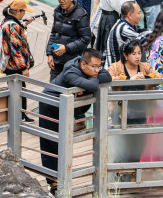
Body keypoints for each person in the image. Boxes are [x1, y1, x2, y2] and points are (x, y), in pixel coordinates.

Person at [39, 49, 111, 195]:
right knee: (51, 145)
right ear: (83, 65)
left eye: (99, 66)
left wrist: (88, 82)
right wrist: (90, 83)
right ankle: (54, 185)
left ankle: (61, 182)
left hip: (65, 107)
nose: (98, 70)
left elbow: (107, 76)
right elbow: (93, 86)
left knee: (62, 144)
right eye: (95, 67)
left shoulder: (86, 67)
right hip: (50, 105)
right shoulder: (70, 72)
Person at [0, 0, 37, 121]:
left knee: (17, 90)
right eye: (24, 11)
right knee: (19, 92)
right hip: (14, 66)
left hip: (10, 64)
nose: (25, 14)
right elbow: (16, 50)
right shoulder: (12, 26)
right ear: (18, 11)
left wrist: (24, 24)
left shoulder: (7, 20)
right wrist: (23, 68)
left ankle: (20, 115)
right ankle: (19, 116)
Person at [46, 0, 91, 80]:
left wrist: (66, 48)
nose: (61, 0)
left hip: (73, 63)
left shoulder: (81, 15)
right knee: (52, 91)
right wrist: (49, 53)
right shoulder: (58, 11)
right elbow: (54, 33)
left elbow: (86, 39)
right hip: (57, 62)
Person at [105, 1, 146, 67]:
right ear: (129, 15)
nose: (141, 15)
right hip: (115, 70)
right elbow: (144, 40)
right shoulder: (124, 29)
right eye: (138, 13)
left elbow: (144, 31)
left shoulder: (129, 24)